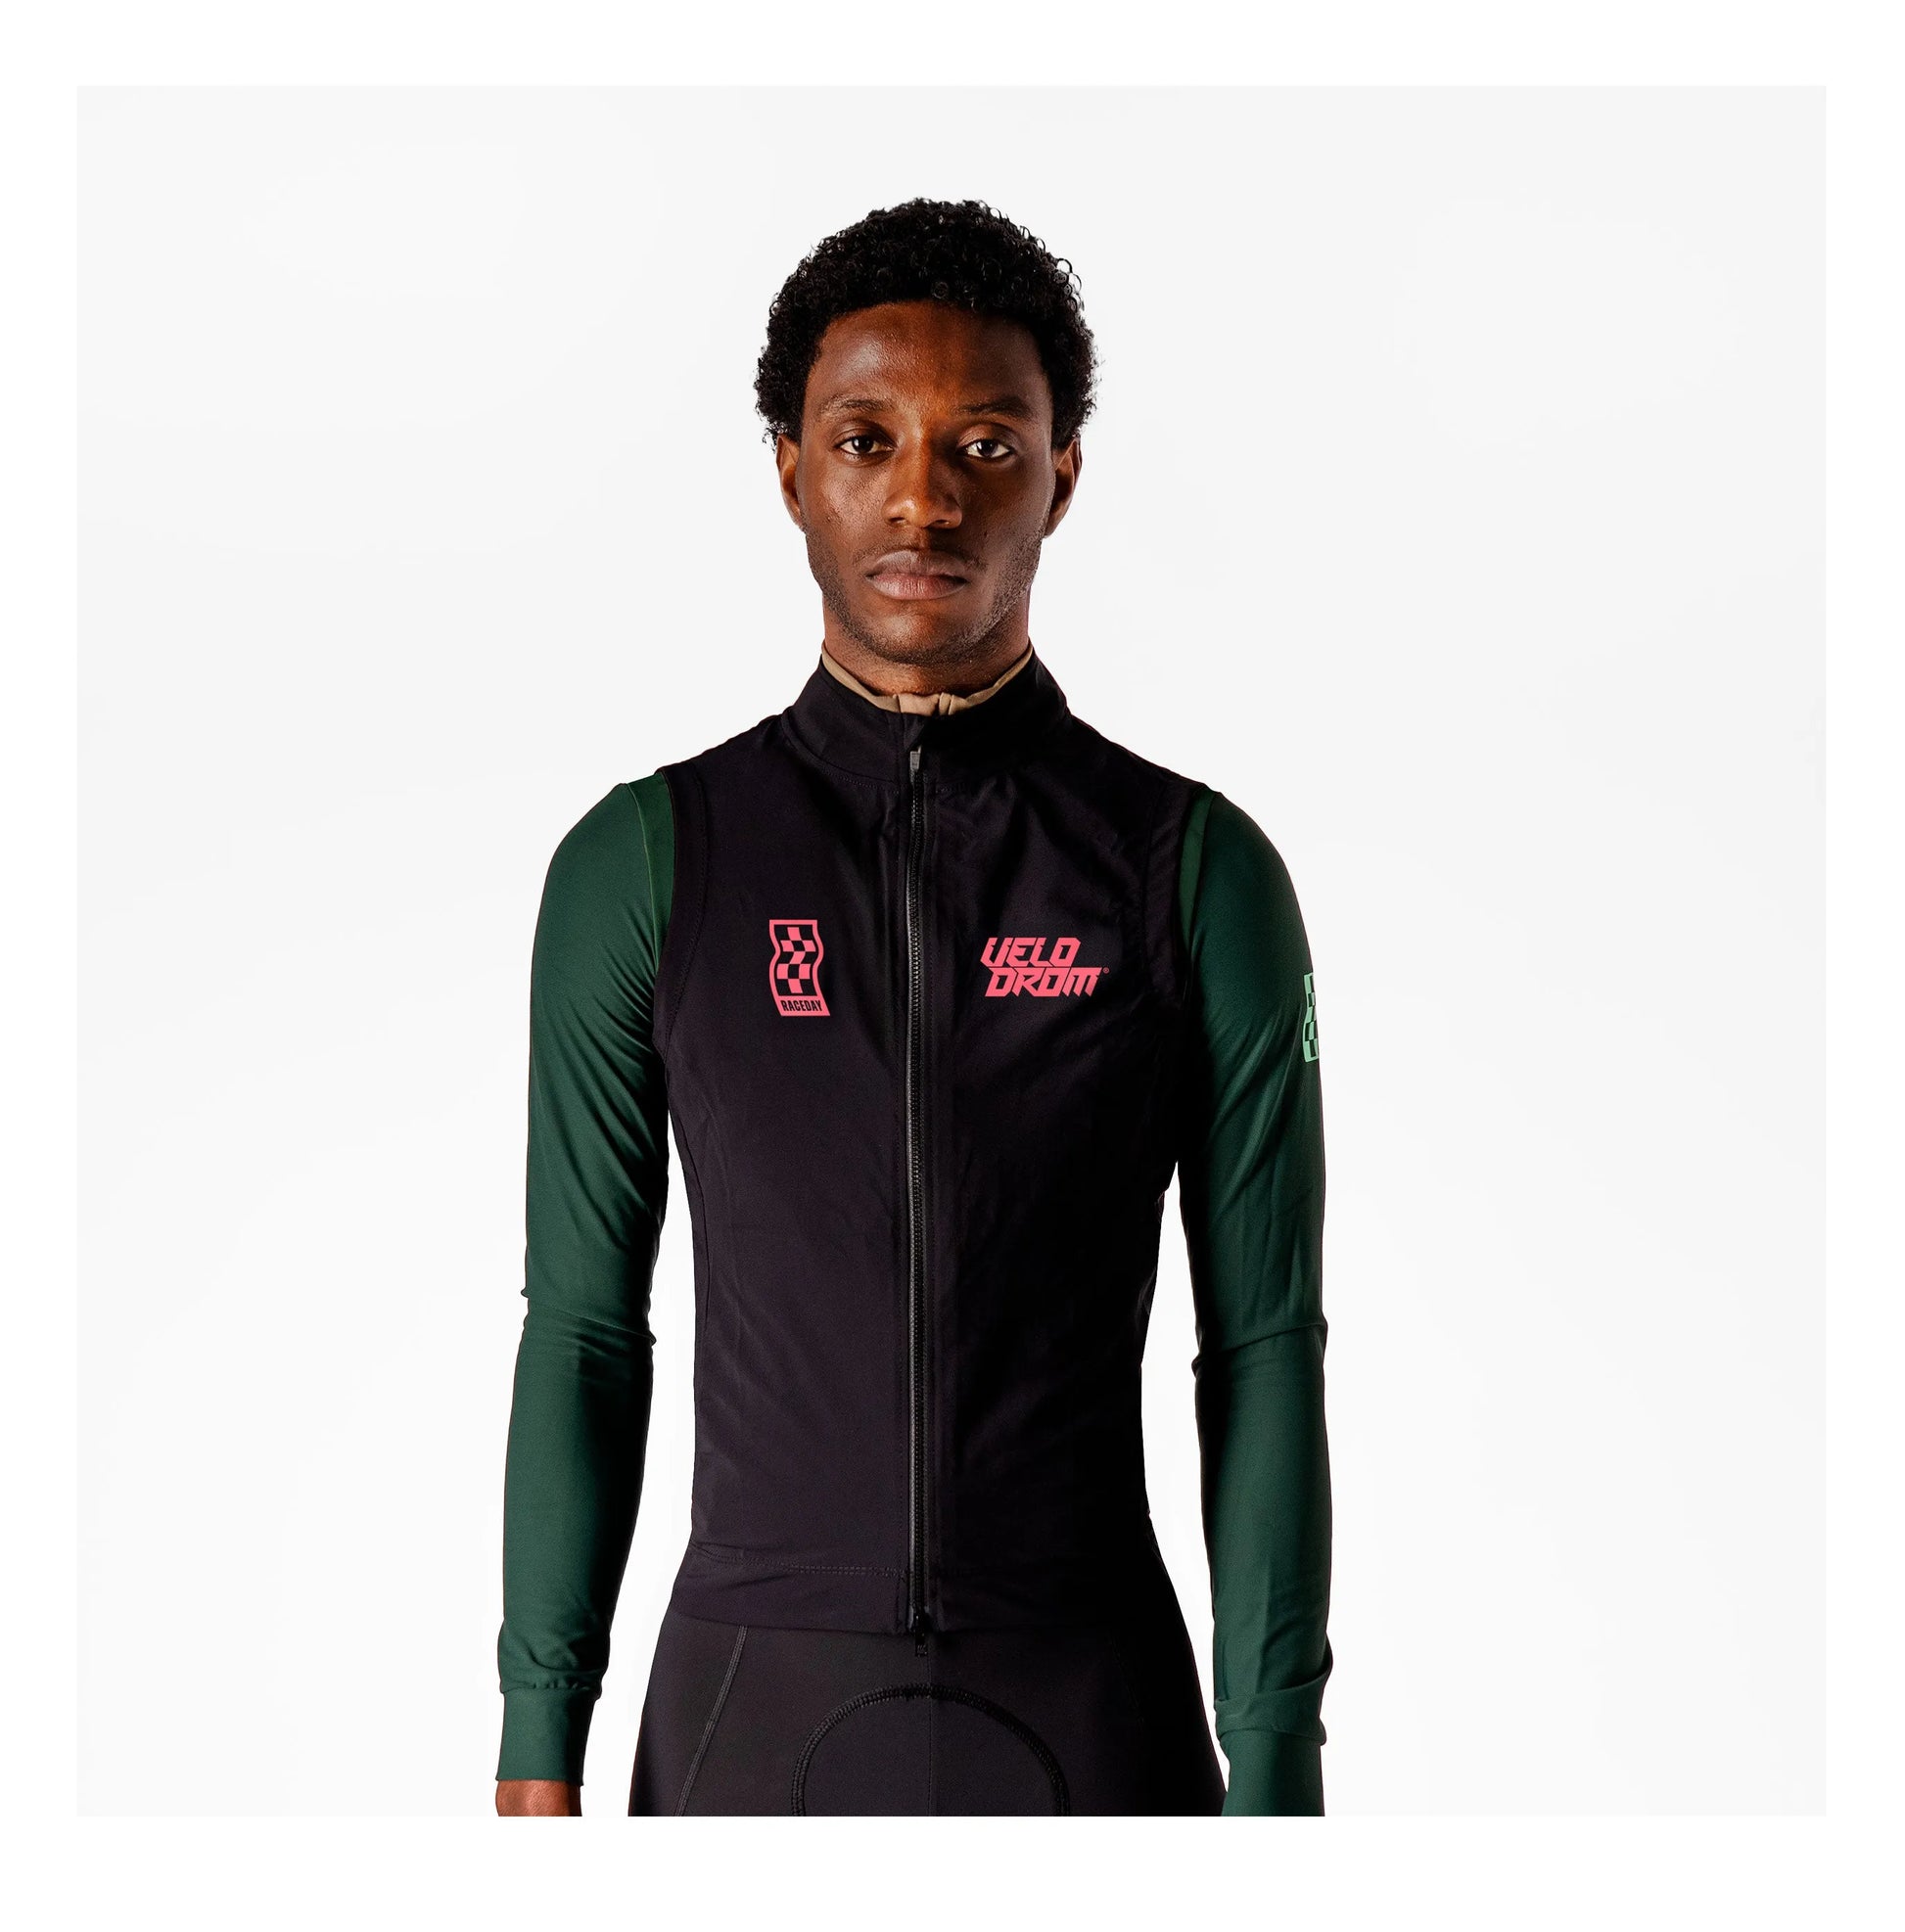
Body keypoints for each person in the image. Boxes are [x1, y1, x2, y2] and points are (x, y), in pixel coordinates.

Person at [494, 199, 1332, 1817]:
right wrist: (540, 1740)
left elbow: (1262, 1347)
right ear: (791, 471)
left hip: (1091, 1708)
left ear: (1060, 477)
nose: (923, 498)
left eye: (986, 445)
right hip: (749, 1707)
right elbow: (585, 1332)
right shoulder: (649, 864)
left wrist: (1277, 1761)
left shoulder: (1191, 872)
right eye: (865, 439)